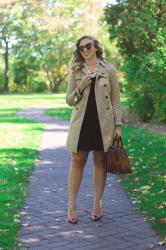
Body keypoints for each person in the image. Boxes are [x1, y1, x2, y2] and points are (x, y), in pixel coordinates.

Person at [66, 35, 122, 224]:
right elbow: (69, 100)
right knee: (78, 160)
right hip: (81, 123)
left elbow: (115, 100)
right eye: (81, 48)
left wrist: (118, 126)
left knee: (100, 160)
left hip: (103, 123)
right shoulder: (76, 70)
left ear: (96, 47)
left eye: (88, 46)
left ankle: (98, 203)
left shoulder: (109, 70)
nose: (85, 50)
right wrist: (80, 86)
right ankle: (71, 205)